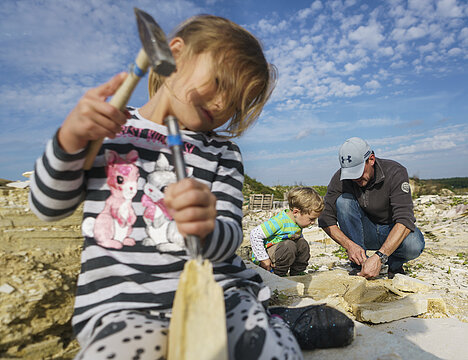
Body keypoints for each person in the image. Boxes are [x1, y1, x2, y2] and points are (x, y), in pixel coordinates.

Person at [29, 15, 353, 360]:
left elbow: (229, 236)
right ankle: (282, 319)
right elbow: (48, 206)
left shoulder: (223, 152)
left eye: (237, 102)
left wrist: (207, 225)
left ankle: (273, 322)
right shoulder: (110, 130)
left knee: (271, 350)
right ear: (177, 54)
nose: (221, 104)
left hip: (216, 293)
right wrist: (68, 140)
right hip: (123, 305)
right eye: (219, 82)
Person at [318, 137, 425, 279]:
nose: (355, 178)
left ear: (371, 159)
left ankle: (392, 265)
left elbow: (405, 220)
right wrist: (349, 245)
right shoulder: (341, 178)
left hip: (390, 230)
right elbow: (325, 219)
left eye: (358, 172)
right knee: (344, 201)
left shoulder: (395, 172)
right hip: (363, 232)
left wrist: (380, 256)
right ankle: (359, 264)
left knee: (414, 244)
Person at [250, 187, 323, 276]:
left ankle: (297, 273)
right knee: (289, 245)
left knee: (302, 244)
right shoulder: (279, 221)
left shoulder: (297, 221)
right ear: (296, 212)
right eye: (311, 219)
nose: (313, 222)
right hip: (268, 257)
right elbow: (255, 234)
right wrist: (264, 259)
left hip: (281, 252)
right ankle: (278, 274)